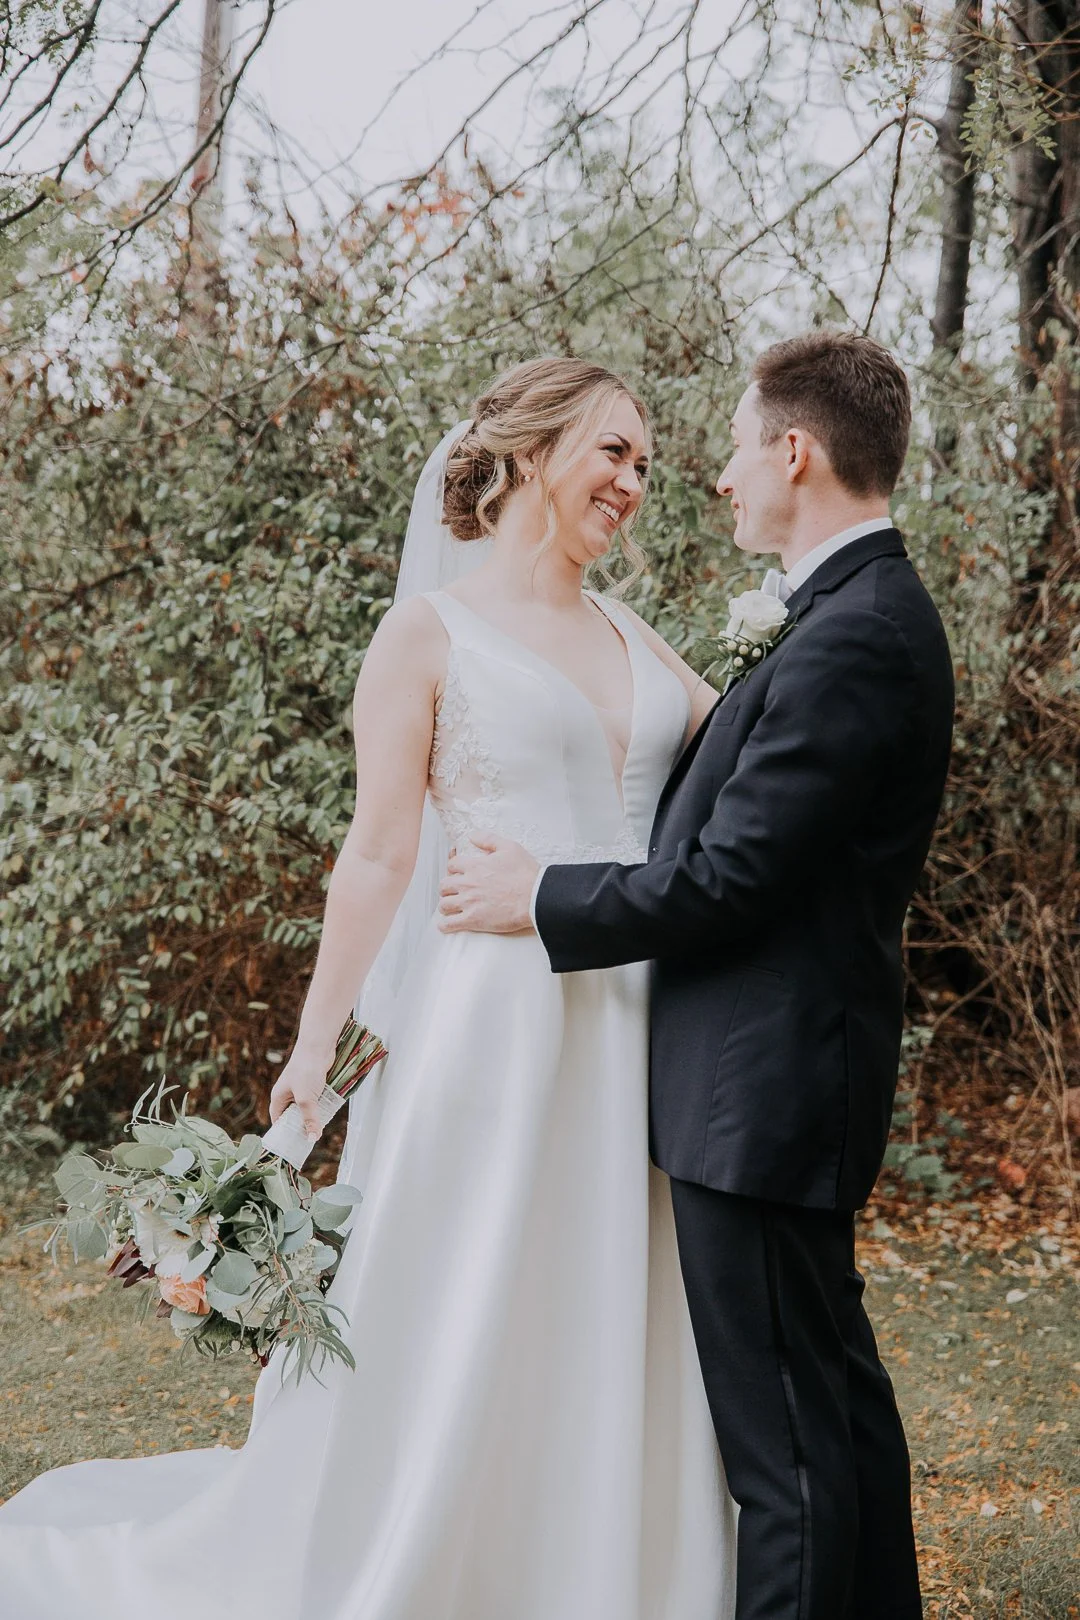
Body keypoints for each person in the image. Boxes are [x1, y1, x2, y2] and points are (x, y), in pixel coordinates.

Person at [0, 357, 738, 1619]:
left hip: (638, 1022)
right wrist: (314, 1045)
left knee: (613, 1305)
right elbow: (381, 852)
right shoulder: (427, 633)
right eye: (613, 452)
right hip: (494, 1026)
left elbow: (746, 768)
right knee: (464, 1300)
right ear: (524, 448)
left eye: (648, 467)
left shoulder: (635, 634)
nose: (634, 483)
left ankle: (598, 1567)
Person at [439, 332, 955, 1620]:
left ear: (795, 451)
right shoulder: (852, 616)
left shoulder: (856, 637)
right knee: (835, 1409)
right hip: (778, 1083)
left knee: (781, 1454)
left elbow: (731, 880)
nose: (717, 479)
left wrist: (540, 897)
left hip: (763, 1094)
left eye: (730, 448)